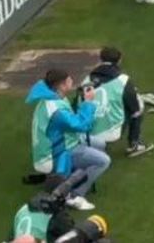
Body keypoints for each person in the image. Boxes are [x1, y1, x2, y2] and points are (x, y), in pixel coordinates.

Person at [26, 70, 107, 211]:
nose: (73, 82)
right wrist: (88, 103)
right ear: (62, 86)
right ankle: (71, 194)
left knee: (100, 144)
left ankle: (71, 175)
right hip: (59, 152)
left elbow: (71, 121)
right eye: (70, 81)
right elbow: (82, 125)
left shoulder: (51, 98)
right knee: (103, 161)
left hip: (60, 142)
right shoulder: (56, 110)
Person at [85, 46, 152, 157]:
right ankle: (134, 144)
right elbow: (134, 107)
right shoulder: (123, 80)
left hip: (87, 131)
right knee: (138, 106)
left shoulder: (86, 79)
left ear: (101, 59)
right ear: (119, 60)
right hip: (112, 130)